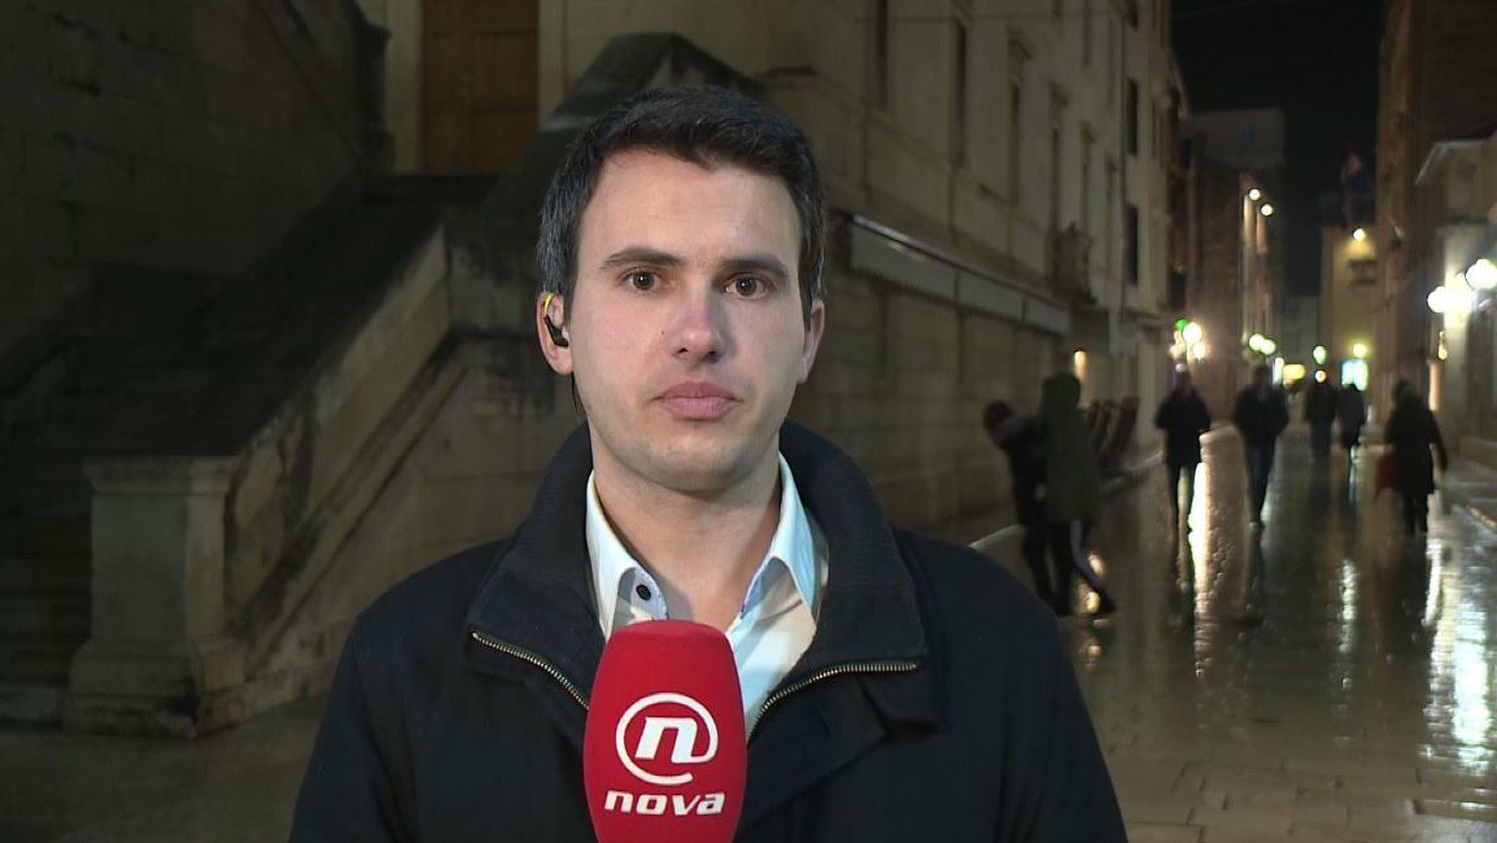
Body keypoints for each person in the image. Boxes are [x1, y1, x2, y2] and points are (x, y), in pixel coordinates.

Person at [290, 87, 1123, 840]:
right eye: (643, 278)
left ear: (809, 336)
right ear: (556, 328)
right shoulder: (401, 664)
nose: (699, 333)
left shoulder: (1000, 647)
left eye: (747, 284)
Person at [1040, 372, 1117, 617]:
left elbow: (1064, 467)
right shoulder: (1065, 423)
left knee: (1073, 554)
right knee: (1062, 555)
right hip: (1066, 503)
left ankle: (1103, 596)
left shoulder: (1065, 426)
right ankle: (1062, 602)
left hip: (1071, 505)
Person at [983, 401, 1055, 607]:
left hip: (1037, 501)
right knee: (1036, 550)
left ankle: (1047, 599)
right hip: (1040, 499)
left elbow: (1026, 473)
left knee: (1033, 550)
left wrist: (1028, 498)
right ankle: (1047, 597)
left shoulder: (1013, 439)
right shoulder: (1021, 432)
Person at [1383, 379, 1449, 535]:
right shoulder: (1425, 413)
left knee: (1407, 494)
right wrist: (1442, 457)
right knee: (1421, 492)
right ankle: (1422, 518)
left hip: (1404, 460)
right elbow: (1436, 437)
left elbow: (1389, 436)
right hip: (1422, 458)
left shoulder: (1399, 414)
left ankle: (1410, 525)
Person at [1154, 369, 1212, 528]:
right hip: (1175, 449)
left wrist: (1199, 426)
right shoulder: (1170, 402)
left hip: (1190, 449)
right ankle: (1176, 513)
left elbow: (1206, 421)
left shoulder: (1197, 402)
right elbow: (1159, 421)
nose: (1183, 385)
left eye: (1185, 381)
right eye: (1181, 381)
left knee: (1190, 485)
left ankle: (1186, 515)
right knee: (1173, 484)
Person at [1232, 364, 1289, 525]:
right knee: (1255, 475)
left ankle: (1258, 508)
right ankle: (1254, 511)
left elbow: (1283, 416)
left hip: (1268, 440)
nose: (1262, 379)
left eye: (1264, 376)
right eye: (1260, 376)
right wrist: (1246, 429)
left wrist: (1276, 429)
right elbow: (1237, 416)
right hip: (1252, 441)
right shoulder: (1246, 395)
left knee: (1263, 476)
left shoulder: (1275, 396)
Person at [1304, 374, 1338, 458]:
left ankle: (1320, 450)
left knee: (1320, 433)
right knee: (1320, 433)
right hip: (1321, 416)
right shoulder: (1326, 391)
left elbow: (1309, 404)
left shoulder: (1314, 391)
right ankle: (1321, 450)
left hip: (1321, 416)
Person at [1337, 383, 1367, 454]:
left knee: (1347, 434)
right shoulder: (1358, 396)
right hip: (1355, 420)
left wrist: (1341, 417)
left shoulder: (1344, 396)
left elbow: (1340, 408)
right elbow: (1361, 408)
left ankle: (1348, 449)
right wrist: (1362, 418)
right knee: (1354, 434)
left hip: (1347, 420)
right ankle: (1354, 447)